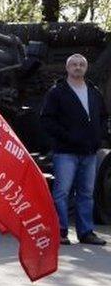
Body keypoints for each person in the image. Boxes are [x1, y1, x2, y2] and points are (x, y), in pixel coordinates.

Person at [40, 54, 109, 246]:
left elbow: (103, 117)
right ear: (67, 68)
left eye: (81, 65)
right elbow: (47, 120)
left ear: (85, 68)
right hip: (65, 152)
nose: (78, 67)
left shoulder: (94, 92)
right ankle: (60, 231)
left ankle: (86, 233)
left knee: (86, 193)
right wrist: (68, 137)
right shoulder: (57, 92)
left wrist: (98, 137)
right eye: (74, 65)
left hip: (89, 152)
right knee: (62, 193)